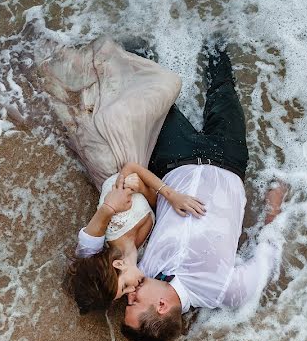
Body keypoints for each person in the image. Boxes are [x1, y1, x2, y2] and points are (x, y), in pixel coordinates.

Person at [121, 38, 286, 341]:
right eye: (133, 303)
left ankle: (141, 38)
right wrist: (274, 202)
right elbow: (268, 253)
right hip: (229, 159)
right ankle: (215, 34)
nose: (130, 295)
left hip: (174, 159)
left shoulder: (143, 271)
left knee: (148, 92)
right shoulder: (226, 292)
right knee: (223, 88)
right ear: (160, 307)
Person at [31, 36, 205, 313]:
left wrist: (169, 196)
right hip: (133, 162)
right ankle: (133, 53)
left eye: (124, 288)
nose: (131, 293)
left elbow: (131, 173)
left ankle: (109, 54)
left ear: (118, 265)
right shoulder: (142, 256)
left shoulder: (111, 228)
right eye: (124, 294)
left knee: (169, 83)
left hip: (115, 153)